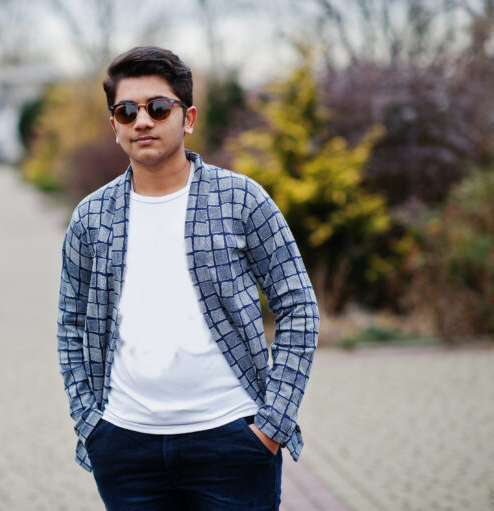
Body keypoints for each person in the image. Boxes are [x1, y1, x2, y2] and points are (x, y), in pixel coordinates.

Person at [56, 46, 319, 510]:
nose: (142, 121)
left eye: (158, 108)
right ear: (113, 125)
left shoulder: (242, 200)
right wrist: (89, 423)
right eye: (126, 111)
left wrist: (272, 425)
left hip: (233, 440)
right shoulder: (91, 218)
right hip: (124, 446)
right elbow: (70, 323)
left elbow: (298, 305)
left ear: (188, 117)